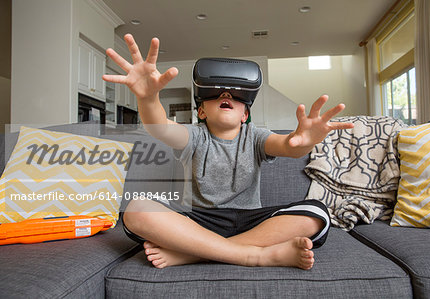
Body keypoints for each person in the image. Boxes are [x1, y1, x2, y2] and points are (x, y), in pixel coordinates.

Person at [103, 34, 354, 270]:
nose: (226, 94)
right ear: (201, 112)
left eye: (236, 96)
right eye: (217, 94)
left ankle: (192, 254)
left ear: (245, 115)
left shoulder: (256, 136)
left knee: (317, 214)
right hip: (197, 222)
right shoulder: (195, 135)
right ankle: (253, 254)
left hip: (251, 221)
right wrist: (148, 99)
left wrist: (305, 141)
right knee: (135, 209)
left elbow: (289, 146)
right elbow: (161, 128)